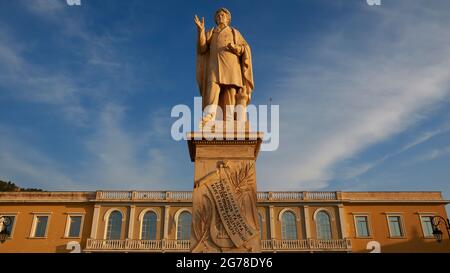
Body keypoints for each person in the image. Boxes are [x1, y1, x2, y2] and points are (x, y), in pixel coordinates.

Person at [194, 8, 254, 125]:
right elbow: (202, 49)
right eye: (218, 16)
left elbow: (245, 47)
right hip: (214, 66)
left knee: (230, 91)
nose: (220, 17)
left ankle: (230, 119)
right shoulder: (211, 32)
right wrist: (201, 31)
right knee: (212, 88)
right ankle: (209, 116)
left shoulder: (234, 32)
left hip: (231, 66)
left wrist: (237, 48)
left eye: (222, 15)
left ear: (228, 18)